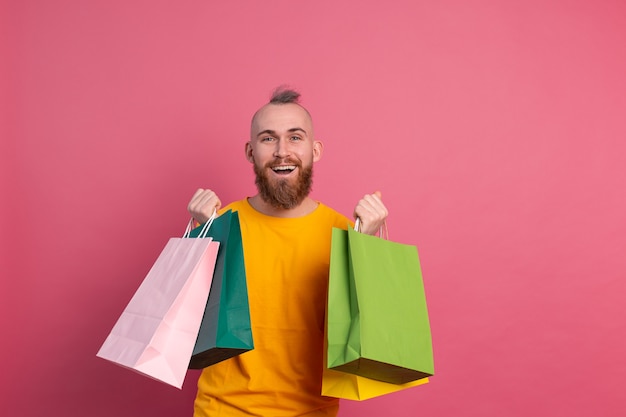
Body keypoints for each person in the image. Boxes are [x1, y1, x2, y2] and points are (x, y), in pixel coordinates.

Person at [187, 87, 388, 417]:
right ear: (251, 152)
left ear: (315, 149)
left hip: (312, 411)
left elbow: (367, 341)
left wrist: (363, 249)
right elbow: (187, 330)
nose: (282, 151)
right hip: (222, 410)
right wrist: (204, 237)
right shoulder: (219, 224)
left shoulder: (345, 233)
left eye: (295, 138)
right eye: (268, 139)